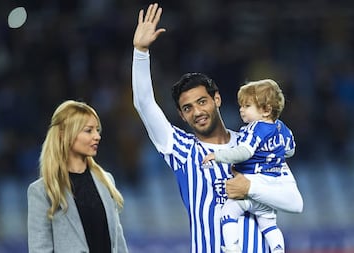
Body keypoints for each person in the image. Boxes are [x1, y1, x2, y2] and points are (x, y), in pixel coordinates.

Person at [132, 3, 302, 253]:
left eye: (202, 101)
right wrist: (140, 51)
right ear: (181, 115)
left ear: (217, 100)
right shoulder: (181, 149)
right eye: (188, 108)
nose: (197, 111)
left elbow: (294, 202)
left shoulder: (256, 140)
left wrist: (250, 188)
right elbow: (144, 104)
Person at [203, 79, 297, 253]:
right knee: (269, 224)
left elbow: (244, 152)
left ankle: (232, 247)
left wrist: (218, 156)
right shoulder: (282, 128)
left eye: (247, 106)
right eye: (241, 105)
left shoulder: (255, 128)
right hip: (272, 184)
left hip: (253, 183)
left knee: (228, 212)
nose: (241, 109)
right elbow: (290, 150)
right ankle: (278, 249)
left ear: (266, 110)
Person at [27, 100, 129, 253]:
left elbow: (119, 244)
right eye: (89, 130)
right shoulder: (42, 191)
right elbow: (39, 249)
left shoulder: (106, 181)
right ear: (64, 134)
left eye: (97, 130)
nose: (97, 136)